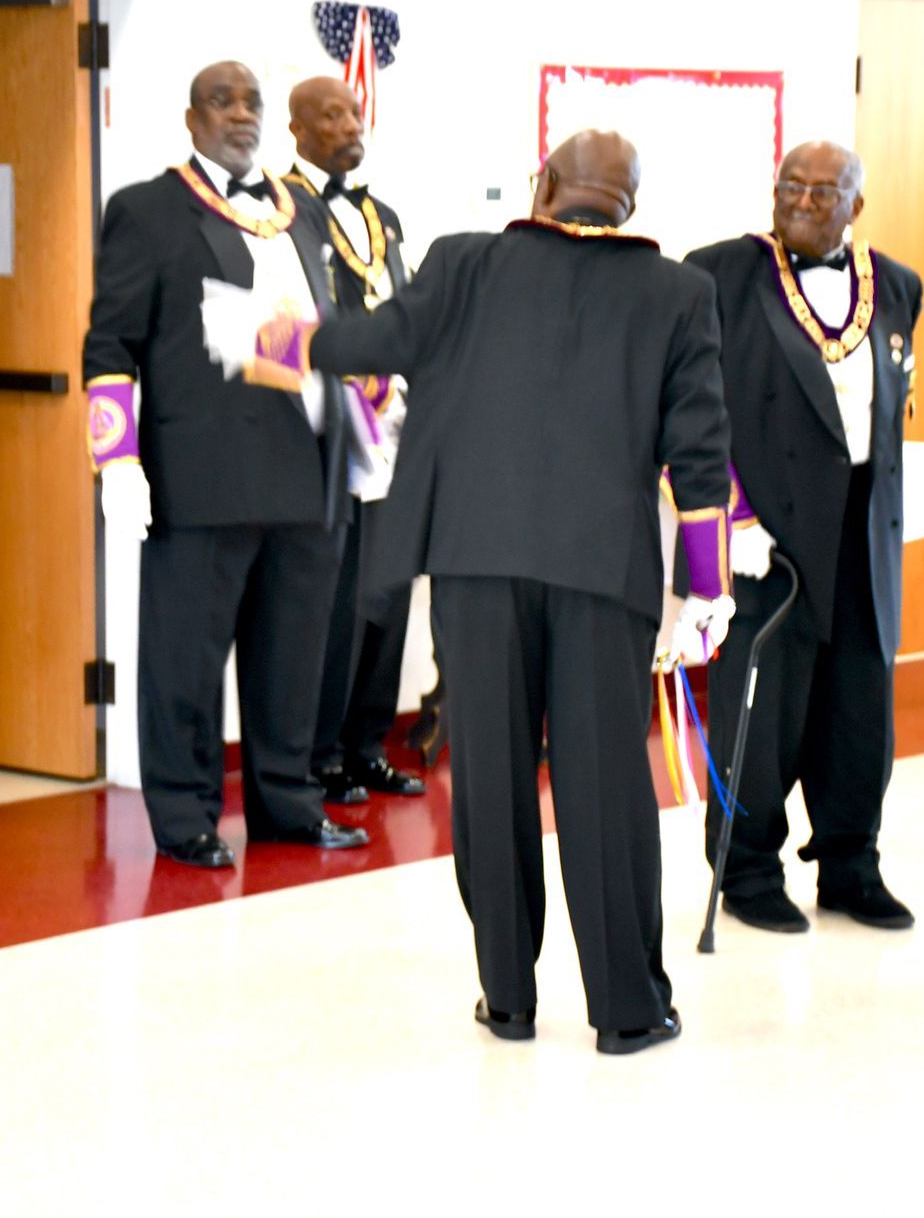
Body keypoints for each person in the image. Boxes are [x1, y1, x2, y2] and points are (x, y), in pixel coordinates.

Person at [206, 130, 737, 1054]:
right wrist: (706, 589)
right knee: (605, 787)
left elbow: (368, 343)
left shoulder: (463, 264)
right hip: (602, 574)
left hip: (476, 562)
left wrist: (252, 334)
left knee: (491, 781)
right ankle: (628, 1009)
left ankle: (509, 998)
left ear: (543, 186)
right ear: (630, 205)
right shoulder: (679, 293)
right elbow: (700, 456)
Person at [81, 60, 368, 869]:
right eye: (222, 101)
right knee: (186, 660)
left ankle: (287, 804)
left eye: (251, 103)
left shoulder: (303, 211)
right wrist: (116, 459)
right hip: (203, 473)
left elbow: (324, 329)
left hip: (307, 467)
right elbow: (110, 344)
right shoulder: (147, 210)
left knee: (293, 659)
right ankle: (185, 815)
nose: (241, 115)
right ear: (191, 118)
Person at [684, 142, 923, 934]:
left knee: (859, 709)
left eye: (825, 191)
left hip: (863, 526)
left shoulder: (898, 286)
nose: (804, 202)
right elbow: (696, 413)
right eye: (792, 187)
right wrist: (731, 515)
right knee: (763, 711)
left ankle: (851, 864)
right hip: (768, 530)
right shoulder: (720, 275)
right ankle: (748, 869)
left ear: (857, 205)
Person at [282, 76, 425, 804]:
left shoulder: (384, 214)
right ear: (297, 130)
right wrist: (351, 375)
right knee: (334, 601)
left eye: (354, 112)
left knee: (387, 594)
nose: (350, 124)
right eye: (332, 114)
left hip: (395, 425)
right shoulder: (283, 209)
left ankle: (368, 744)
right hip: (329, 427)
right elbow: (286, 318)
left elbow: (406, 302)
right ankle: (322, 751)